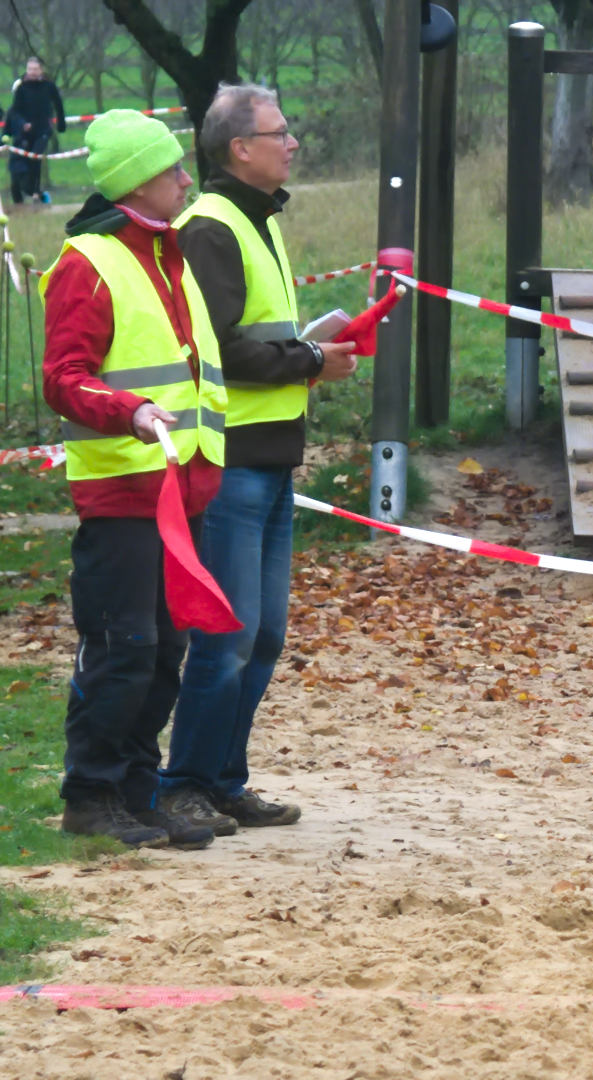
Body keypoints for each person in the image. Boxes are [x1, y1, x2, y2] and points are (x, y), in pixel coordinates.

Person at [158, 83, 358, 836]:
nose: (293, 142)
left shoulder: (257, 218)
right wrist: (307, 359)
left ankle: (222, 779)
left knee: (263, 636)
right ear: (240, 149)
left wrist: (306, 353)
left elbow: (255, 332)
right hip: (232, 458)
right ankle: (183, 784)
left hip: (272, 460)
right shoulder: (211, 226)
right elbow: (218, 347)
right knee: (227, 636)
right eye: (280, 131)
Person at [41, 109, 226, 850]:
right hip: (122, 494)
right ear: (133, 184)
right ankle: (90, 796)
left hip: (183, 493)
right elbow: (63, 379)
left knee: (164, 653)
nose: (186, 177)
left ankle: (137, 794)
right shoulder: (90, 260)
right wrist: (132, 411)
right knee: (123, 649)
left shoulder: (168, 252)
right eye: (171, 168)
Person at [5, 57, 65, 204]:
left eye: (35, 69)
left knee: (35, 158)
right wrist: (22, 124)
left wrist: (61, 124)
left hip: (43, 130)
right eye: (29, 69)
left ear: (41, 70)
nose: (32, 72)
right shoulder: (21, 88)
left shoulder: (49, 86)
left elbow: (58, 104)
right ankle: (31, 192)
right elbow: (15, 111)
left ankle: (36, 193)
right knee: (22, 164)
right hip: (25, 132)